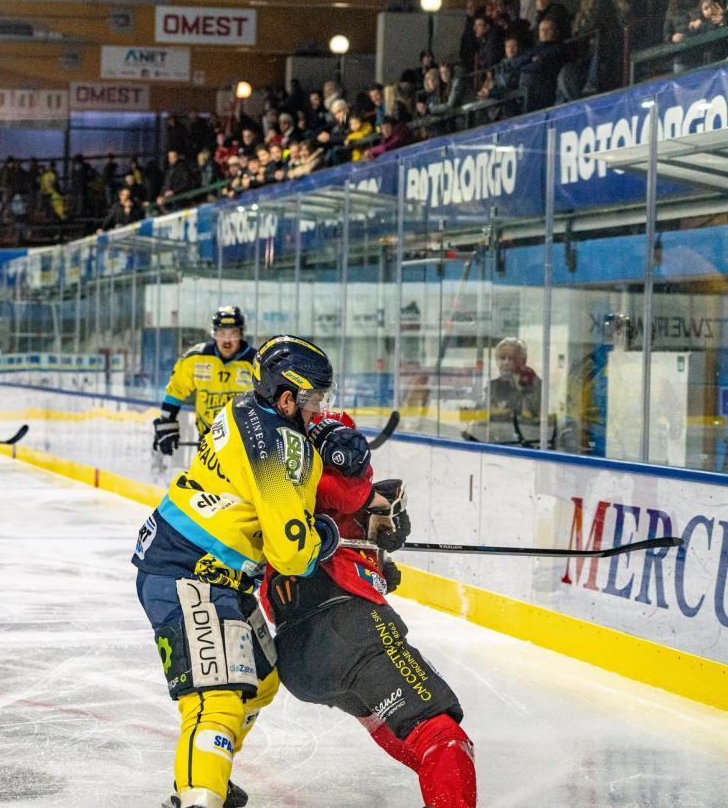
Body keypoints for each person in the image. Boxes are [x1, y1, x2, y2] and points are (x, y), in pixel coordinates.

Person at [133, 335, 350, 808]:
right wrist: (324, 535)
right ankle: (198, 795)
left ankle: (207, 773)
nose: (319, 409)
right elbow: (291, 555)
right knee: (217, 696)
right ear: (286, 398)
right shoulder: (276, 452)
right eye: (314, 399)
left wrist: (317, 441)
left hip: (206, 567)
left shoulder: (245, 405)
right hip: (189, 572)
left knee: (261, 680)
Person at [264, 408, 478, 808]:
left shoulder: (274, 487)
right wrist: (376, 509)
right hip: (351, 631)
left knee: (401, 729)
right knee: (442, 737)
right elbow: (345, 494)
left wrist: (373, 561)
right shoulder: (326, 476)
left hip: (298, 657)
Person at [152, 306, 257, 456]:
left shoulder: (256, 363)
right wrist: (166, 421)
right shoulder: (196, 358)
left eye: (233, 333)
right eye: (221, 333)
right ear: (214, 333)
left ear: (241, 333)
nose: (227, 340)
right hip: (207, 439)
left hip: (245, 443)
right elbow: (176, 390)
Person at [465, 336, 543, 444]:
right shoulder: (494, 386)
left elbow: (530, 419)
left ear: (523, 360)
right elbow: (481, 415)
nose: (506, 362)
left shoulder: (534, 385)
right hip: (495, 442)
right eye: (502, 358)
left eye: (511, 358)